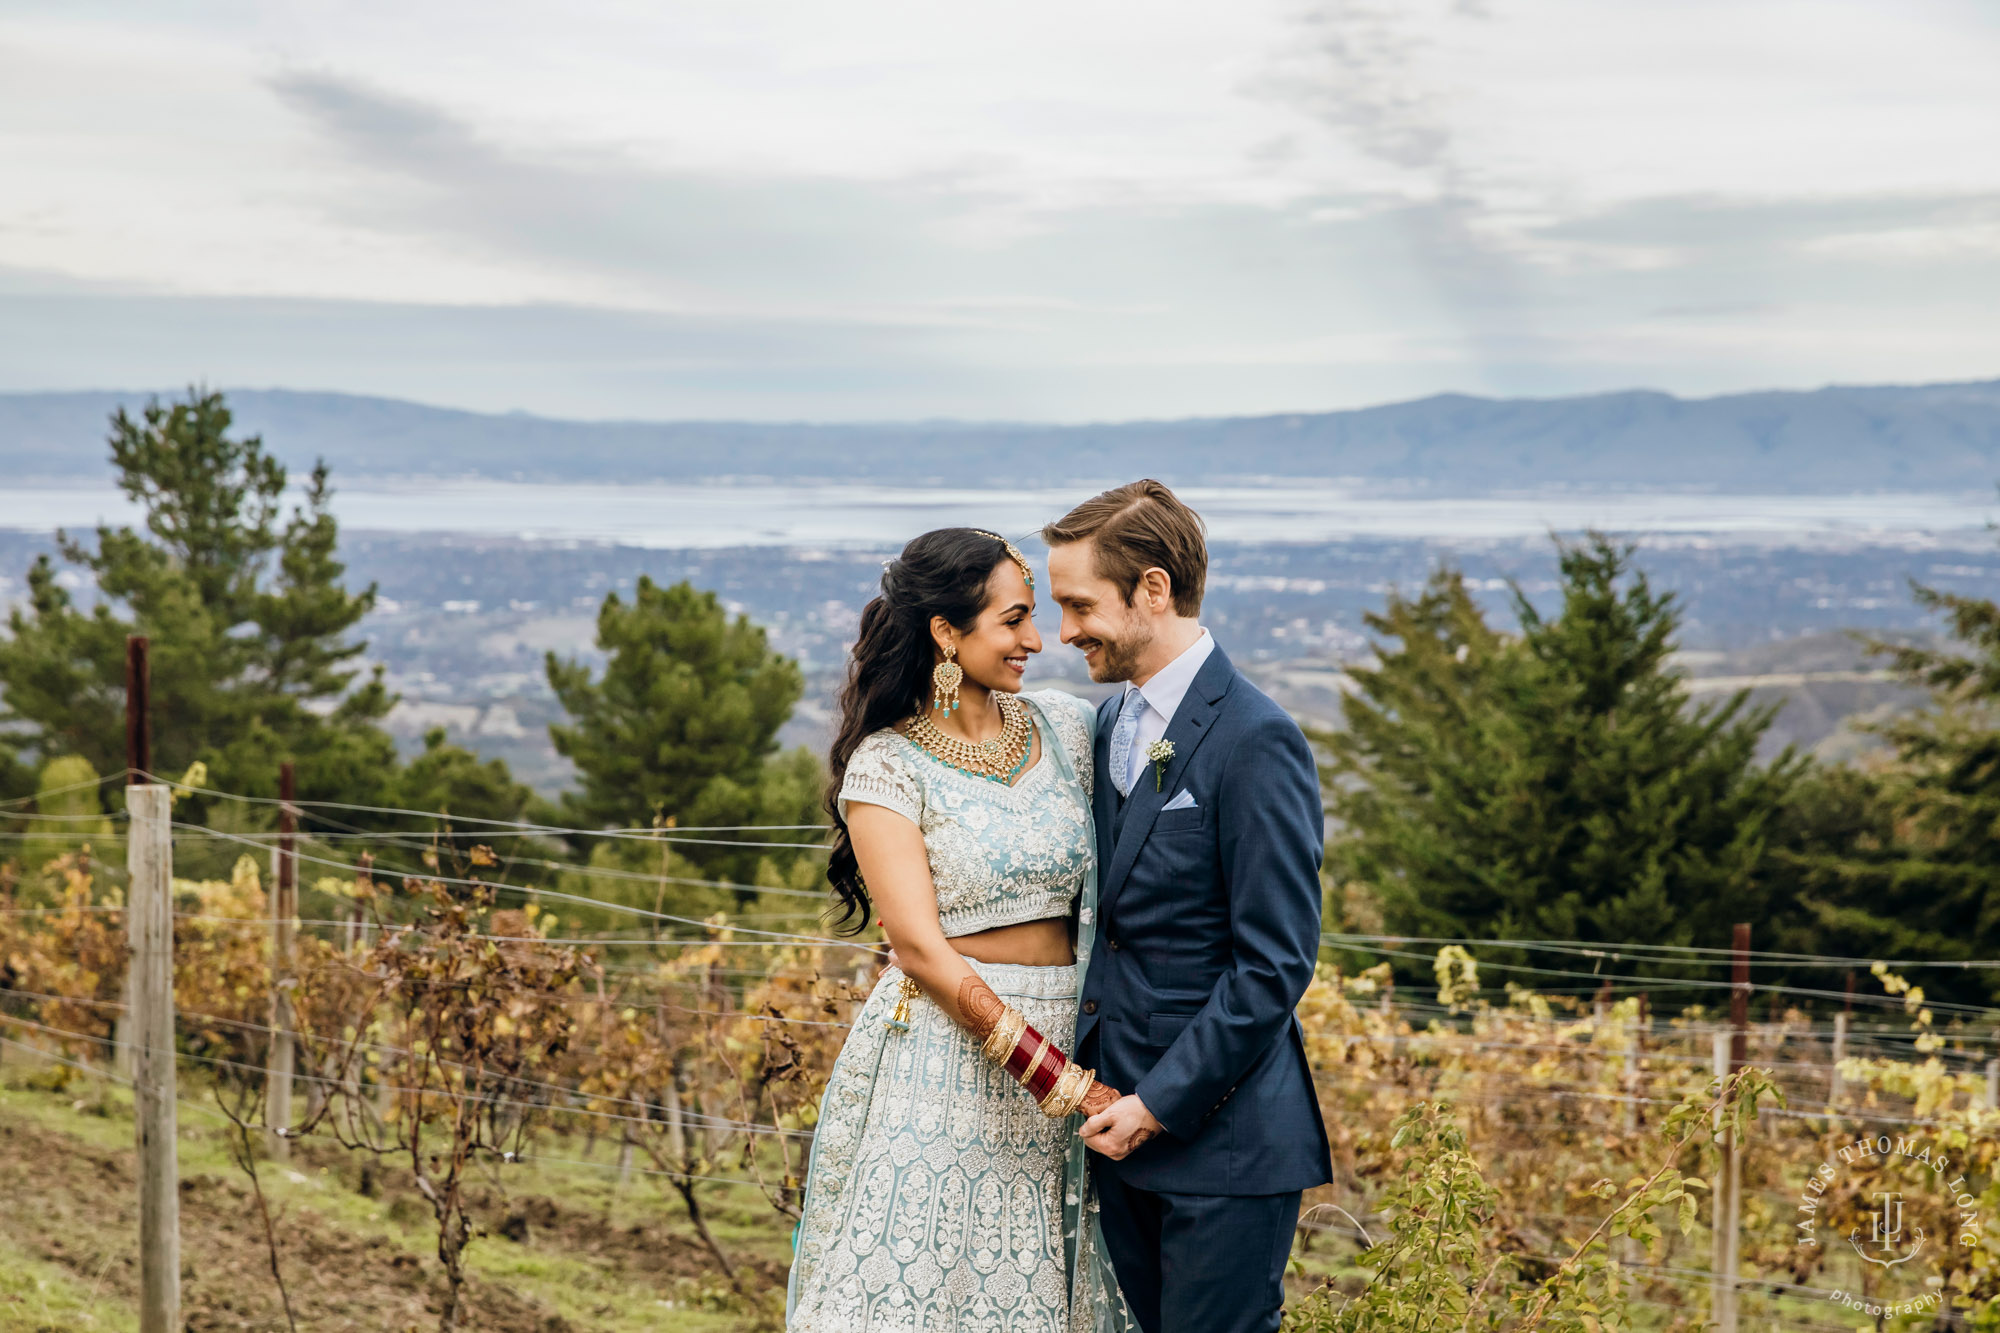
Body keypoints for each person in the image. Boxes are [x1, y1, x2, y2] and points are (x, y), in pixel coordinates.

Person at [787, 527, 1135, 1333]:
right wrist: (1057, 1079)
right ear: (948, 632)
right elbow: (916, 949)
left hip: (1074, 1029)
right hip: (945, 1061)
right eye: (1013, 620)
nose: (1036, 640)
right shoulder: (889, 764)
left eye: (1034, 616)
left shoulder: (1065, 730)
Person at [1043, 481, 1331, 1333]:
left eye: (1079, 604)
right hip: (1113, 1134)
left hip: (1225, 1145)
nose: (1065, 632)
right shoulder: (1105, 727)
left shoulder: (1256, 737)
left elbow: (1273, 964)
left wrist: (1158, 1103)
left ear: (1154, 589)